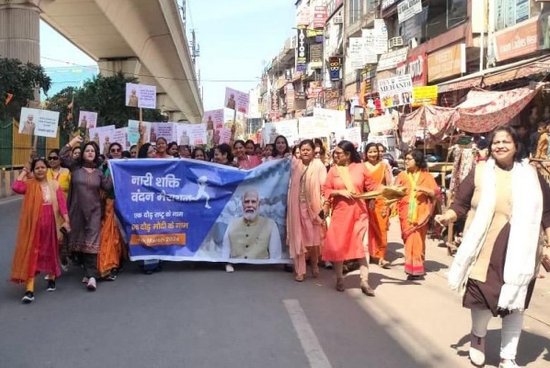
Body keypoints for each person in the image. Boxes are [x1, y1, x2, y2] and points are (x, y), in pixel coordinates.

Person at [435, 127, 550, 368]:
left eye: (505, 141)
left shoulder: (531, 175)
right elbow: (461, 203)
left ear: (516, 145)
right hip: (485, 249)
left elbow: (547, 213)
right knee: (482, 298)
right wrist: (448, 216)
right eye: (495, 142)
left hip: (522, 250)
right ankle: (478, 337)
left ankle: (509, 356)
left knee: (515, 304)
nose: (499, 145)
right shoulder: (480, 172)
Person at [10, 158, 71, 303]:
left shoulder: (54, 185)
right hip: (34, 225)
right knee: (33, 254)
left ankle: (51, 278)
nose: (40, 170)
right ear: (33, 170)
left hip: (51, 223)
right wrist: (24, 171)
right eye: (37, 168)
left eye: (43, 167)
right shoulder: (29, 185)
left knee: (51, 250)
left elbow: (62, 205)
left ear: (47, 168)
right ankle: (29, 290)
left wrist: (67, 220)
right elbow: (16, 187)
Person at [323, 140, 379, 296]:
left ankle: (364, 281)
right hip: (340, 214)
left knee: (362, 246)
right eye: (335, 153)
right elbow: (326, 189)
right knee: (339, 246)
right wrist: (338, 192)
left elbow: (372, 188)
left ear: (348, 155)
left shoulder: (361, 168)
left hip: (359, 213)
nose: (335, 156)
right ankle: (340, 278)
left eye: (339, 153)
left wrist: (373, 199)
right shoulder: (334, 170)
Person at [60, 136, 112, 291]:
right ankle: (82, 267)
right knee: (77, 241)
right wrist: (74, 141)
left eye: (93, 151)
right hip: (76, 211)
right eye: (87, 150)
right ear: (82, 153)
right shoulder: (75, 169)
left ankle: (91, 277)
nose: (90, 153)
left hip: (94, 212)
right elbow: (62, 155)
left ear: (96, 154)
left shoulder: (98, 173)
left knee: (92, 243)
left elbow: (108, 187)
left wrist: (112, 169)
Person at [395, 150, 439, 280]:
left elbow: (435, 193)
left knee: (418, 240)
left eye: (409, 159)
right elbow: (395, 192)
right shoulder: (402, 175)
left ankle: (417, 269)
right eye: (406, 159)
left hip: (421, 213)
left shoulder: (426, 176)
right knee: (408, 240)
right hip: (405, 213)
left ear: (417, 160)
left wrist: (422, 189)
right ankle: (410, 267)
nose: (406, 161)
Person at [287, 140, 327, 281]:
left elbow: (324, 187)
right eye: (302, 149)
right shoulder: (294, 164)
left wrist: (324, 205)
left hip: (314, 208)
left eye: (307, 149)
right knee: (299, 238)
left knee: (314, 240)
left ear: (312, 151)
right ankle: (300, 271)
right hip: (296, 207)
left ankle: (315, 264)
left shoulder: (319, 165)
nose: (305, 152)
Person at [222, 190, 282, 271]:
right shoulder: (232, 224)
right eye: (247, 202)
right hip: (236, 273)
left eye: (253, 202)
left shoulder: (270, 225)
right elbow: (225, 252)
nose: (250, 205)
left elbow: (275, 257)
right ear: (242, 204)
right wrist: (227, 265)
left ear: (259, 204)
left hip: (261, 272)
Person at [97, 142, 124, 281]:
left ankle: (119, 260)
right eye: (112, 150)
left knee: (120, 236)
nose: (115, 152)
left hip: (125, 205)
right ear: (109, 152)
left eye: (118, 150)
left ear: (121, 151)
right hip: (108, 205)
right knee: (109, 236)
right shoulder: (103, 168)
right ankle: (110, 264)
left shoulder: (126, 165)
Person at [364, 143, 393, 268]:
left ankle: (381, 256)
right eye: (370, 152)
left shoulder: (384, 166)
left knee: (381, 229)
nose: (373, 154)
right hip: (365, 201)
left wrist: (389, 203)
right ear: (366, 153)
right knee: (367, 229)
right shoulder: (362, 166)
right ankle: (369, 253)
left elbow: (389, 185)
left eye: (375, 151)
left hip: (381, 202)